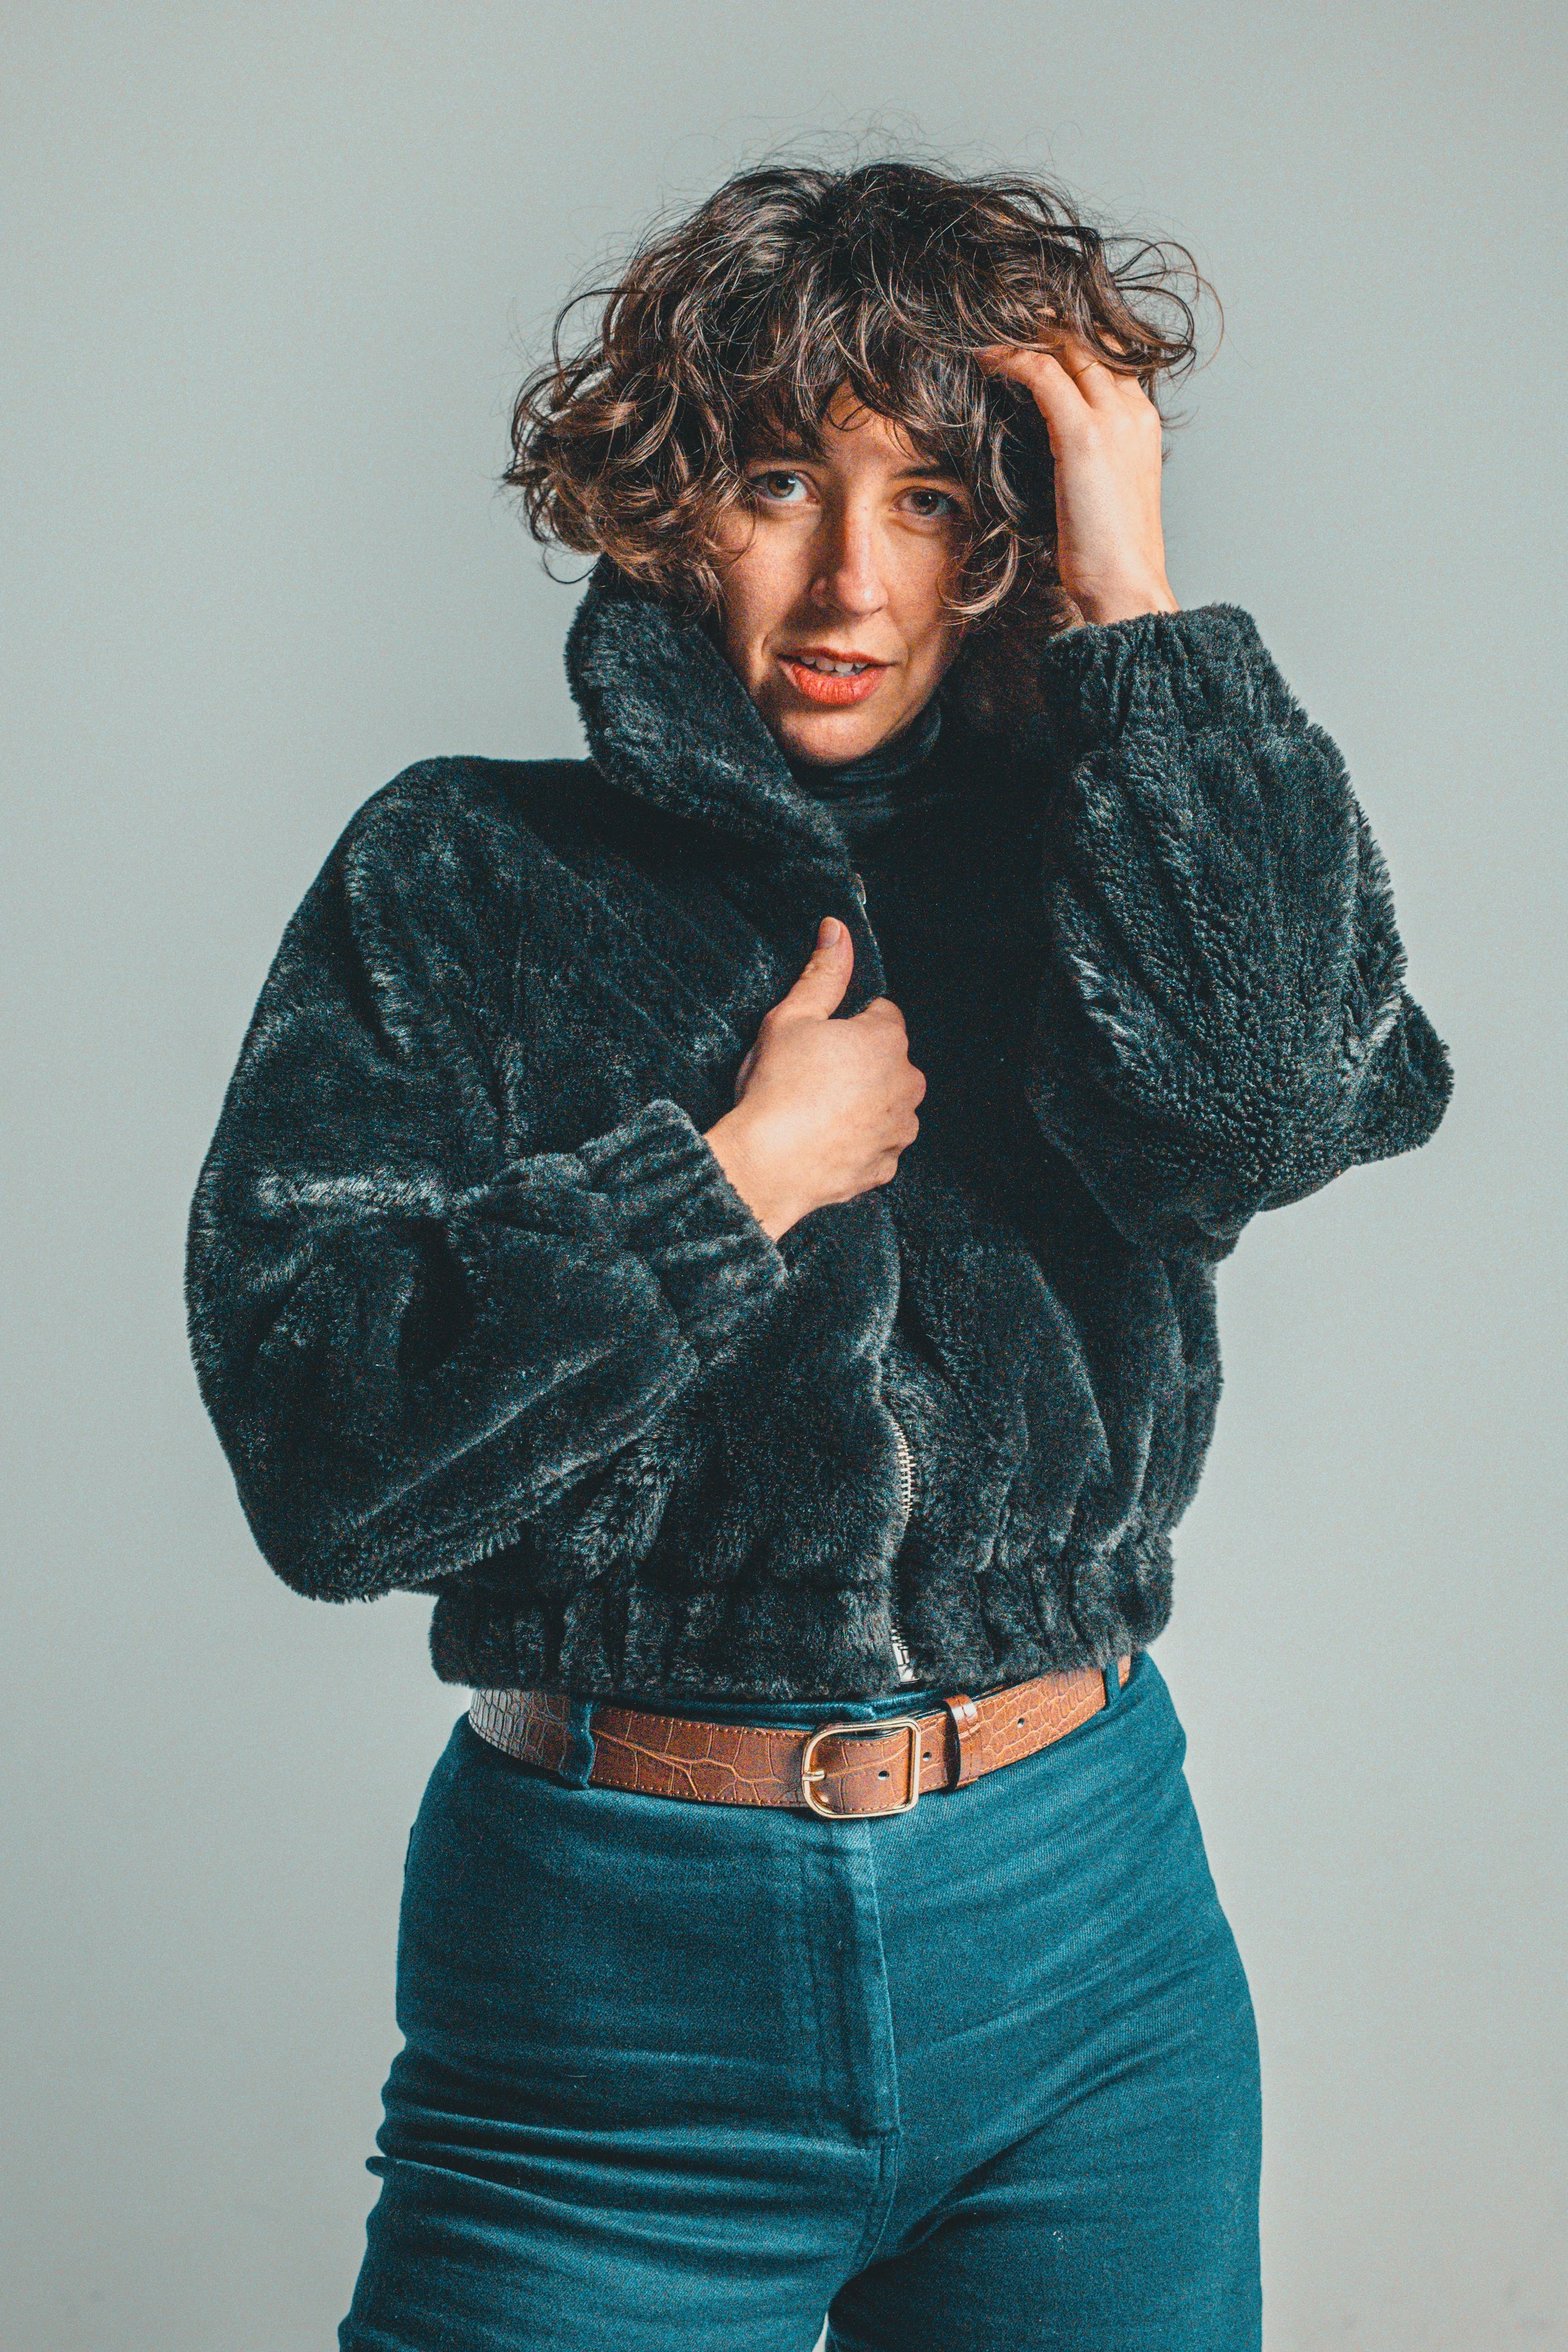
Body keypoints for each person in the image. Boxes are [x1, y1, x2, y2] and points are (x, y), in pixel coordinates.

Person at [186, 160, 1452, 2351]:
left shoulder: (1105, 861)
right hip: (610, 1976)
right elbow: (332, 1465)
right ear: (668, 506)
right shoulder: (461, 871)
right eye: (781, 481)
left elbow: (1268, 1101)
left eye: (937, 502)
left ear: (1007, 541)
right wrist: (736, 1178)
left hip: (1085, 1949)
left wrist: (1135, 595)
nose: (853, 577)